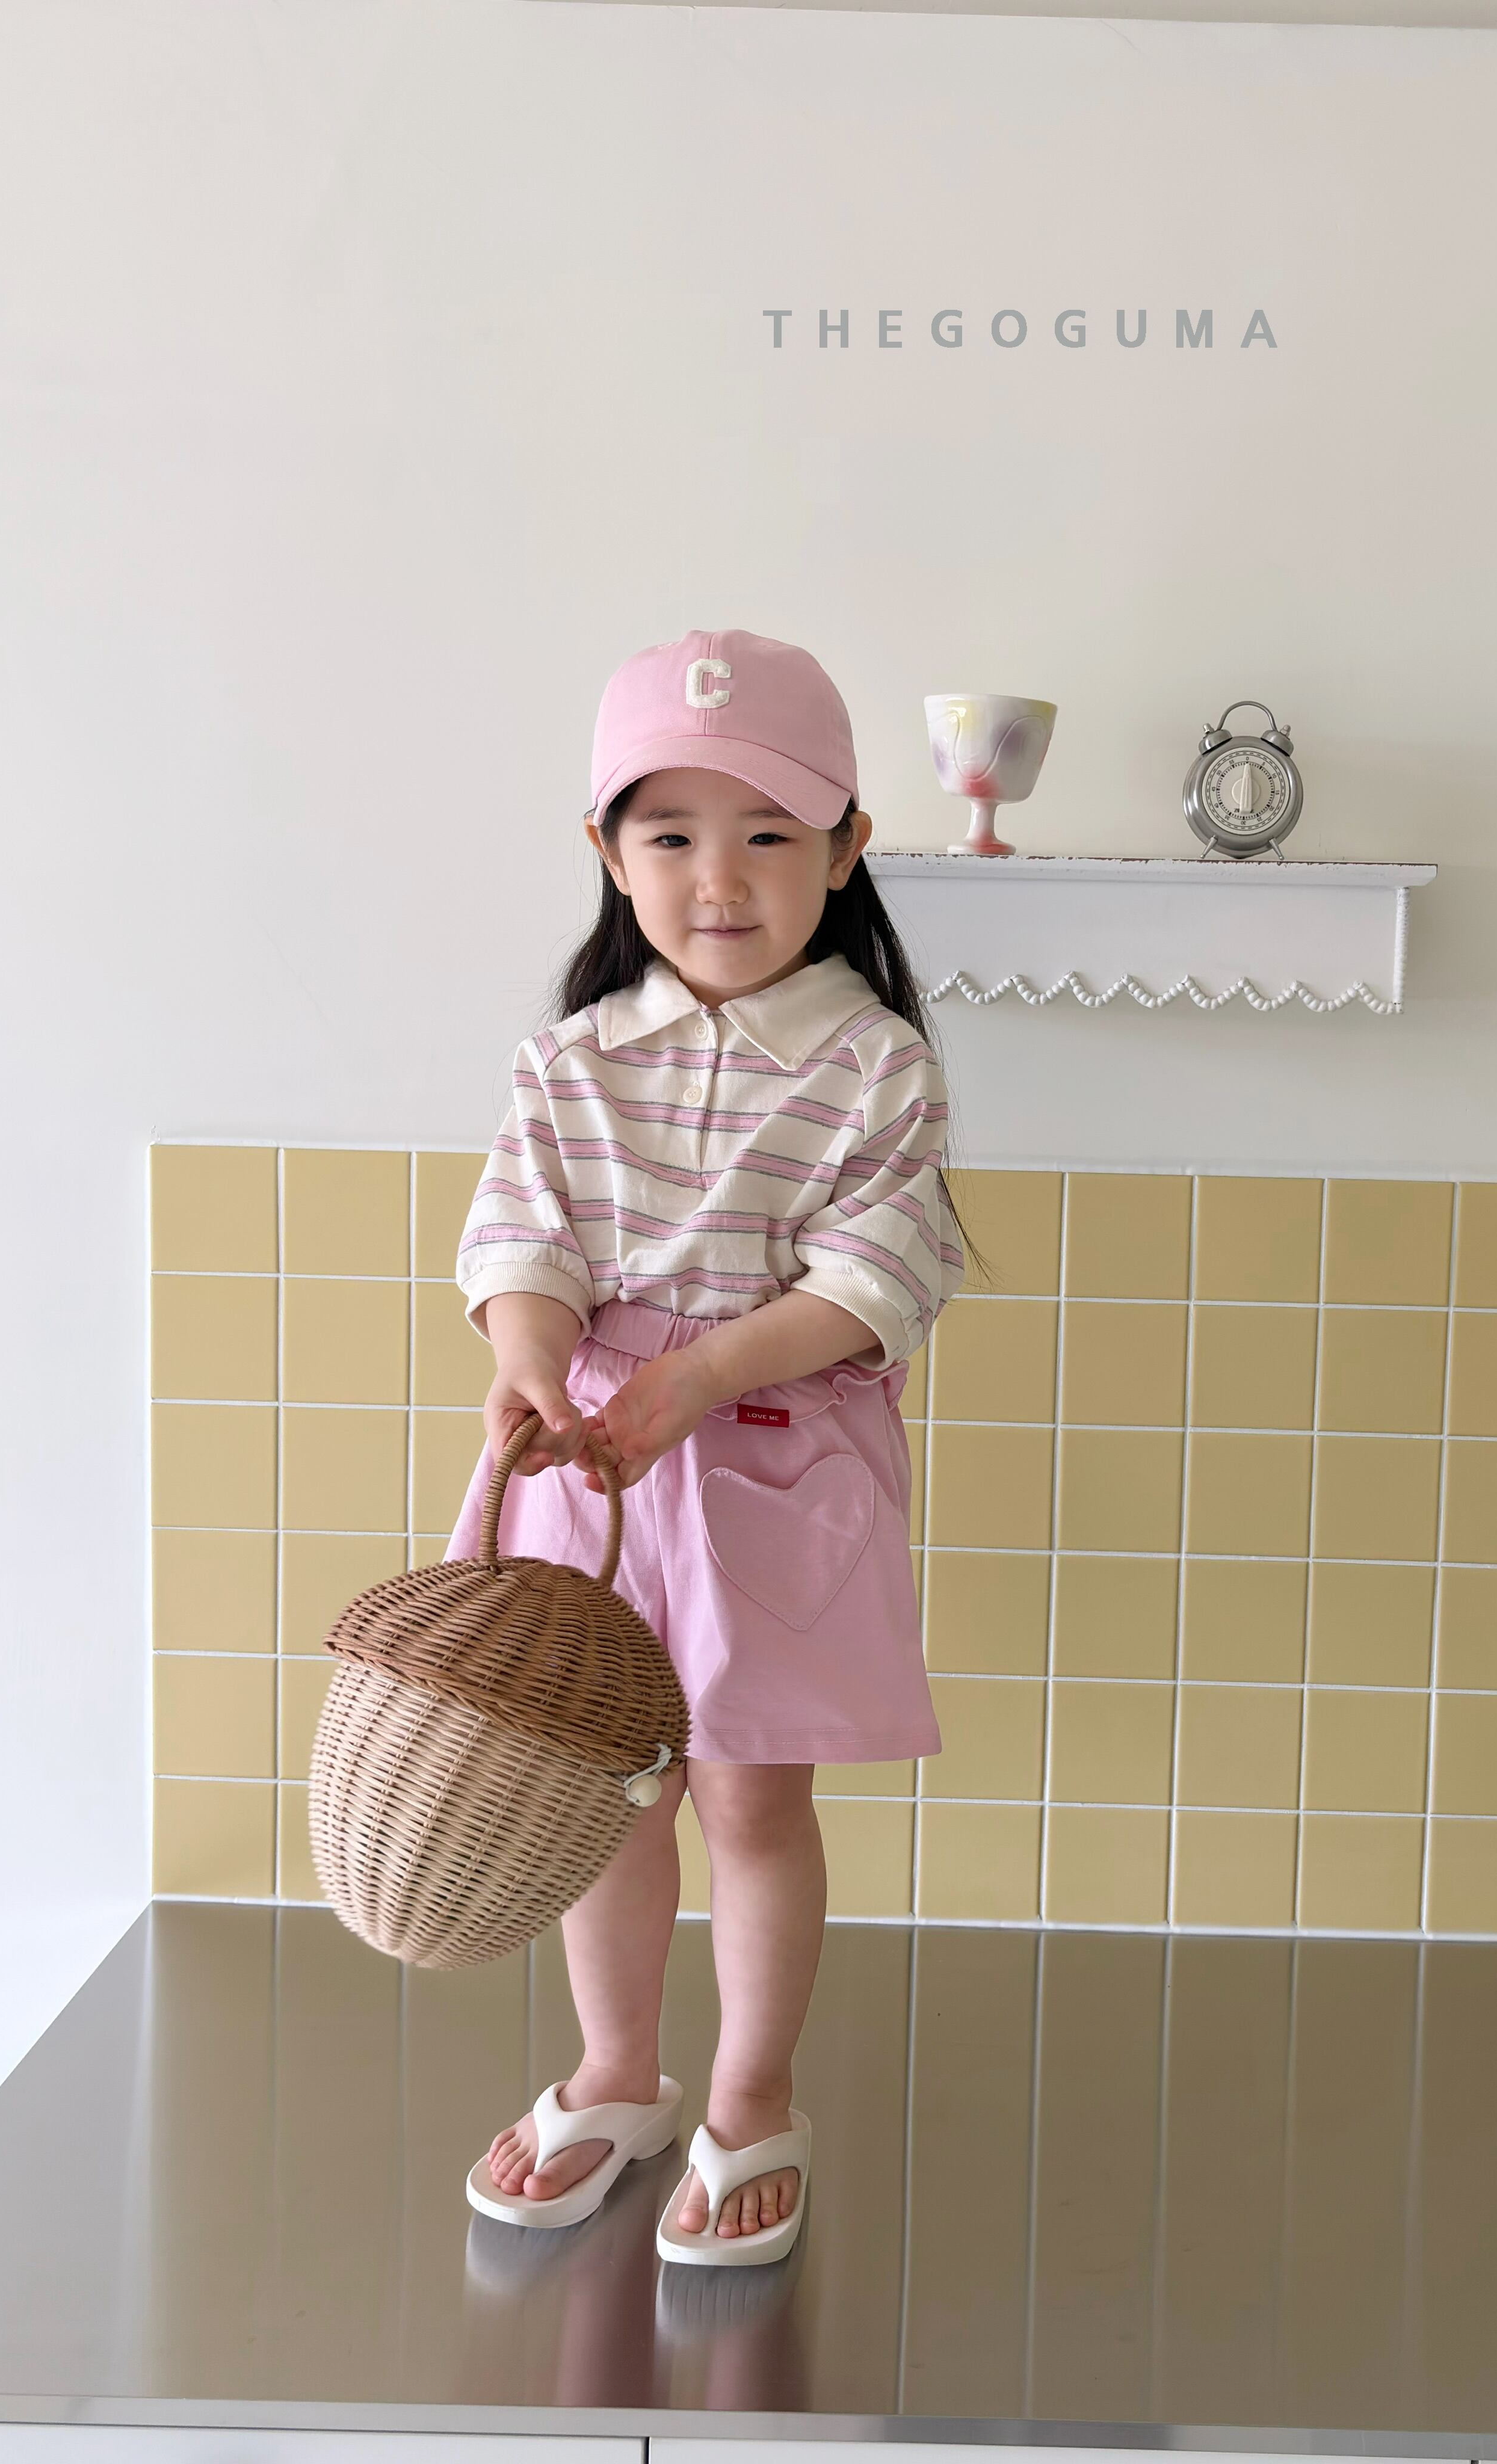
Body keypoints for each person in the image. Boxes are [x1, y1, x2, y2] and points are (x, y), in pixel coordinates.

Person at [448, 631, 957, 2268]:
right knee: (607, 1785)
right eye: (669, 834)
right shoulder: (572, 1059)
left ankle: (751, 2100)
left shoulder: (875, 1064)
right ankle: (617, 2074)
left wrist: (699, 1377)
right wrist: (532, 1365)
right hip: (596, 1469)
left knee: (748, 1795)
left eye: (767, 834)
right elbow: (523, 1240)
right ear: (609, 853)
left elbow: (879, 1275)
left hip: (771, 1456)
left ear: (847, 848)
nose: (717, 879)